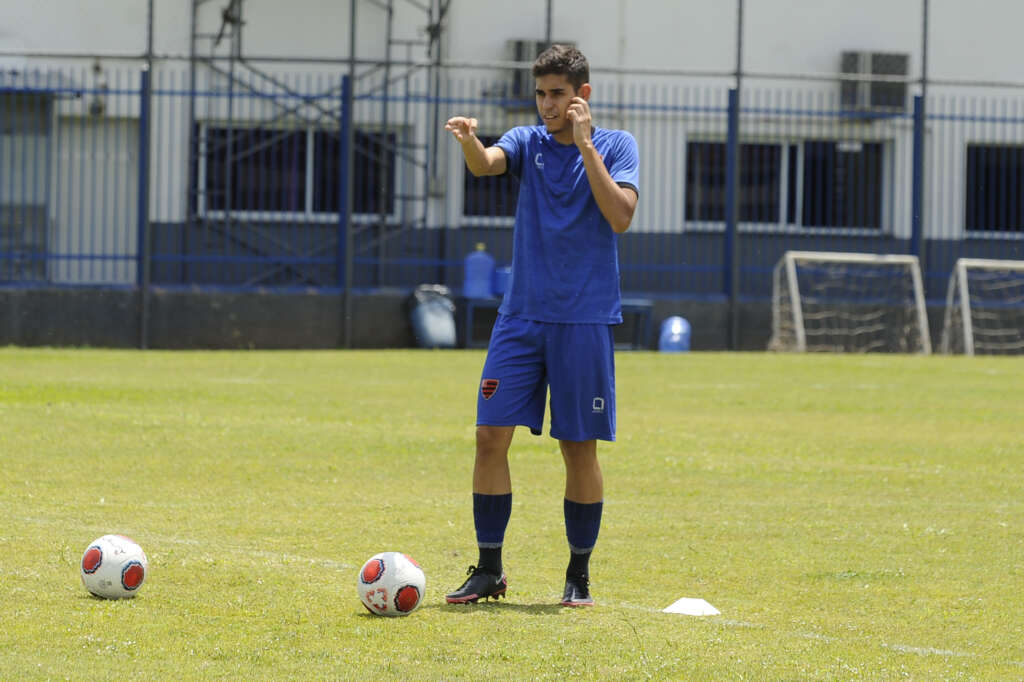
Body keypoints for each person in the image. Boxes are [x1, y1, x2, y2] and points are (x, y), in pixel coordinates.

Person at [443, 44, 639, 607]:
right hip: (520, 318)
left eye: (558, 94)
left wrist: (585, 145)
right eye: (540, 94)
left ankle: (578, 575)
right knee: (488, 437)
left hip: (583, 321)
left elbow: (621, 217)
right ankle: (489, 569)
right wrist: (467, 142)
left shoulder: (617, 146)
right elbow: (487, 164)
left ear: (583, 95)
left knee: (578, 450)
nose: (547, 104)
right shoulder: (528, 142)